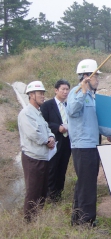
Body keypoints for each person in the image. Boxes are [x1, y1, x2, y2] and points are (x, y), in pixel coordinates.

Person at [67, 59, 111, 226]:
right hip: (82, 147)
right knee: (88, 185)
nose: (98, 80)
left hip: (92, 145)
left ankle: (77, 218)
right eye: (96, 77)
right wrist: (83, 91)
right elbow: (71, 110)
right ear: (86, 76)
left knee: (84, 183)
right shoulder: (76, 92)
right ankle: (87, 221)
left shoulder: (91, 97)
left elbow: (96, 124)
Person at [18, 81, 56, 222]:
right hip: (32, 158)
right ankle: (29, 222)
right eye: (40, 93)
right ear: (31, 95)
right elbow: (33, 134)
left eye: (43, 93)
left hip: (43, 157)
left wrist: (51, 137)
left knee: (42, 191)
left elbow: (47, 129)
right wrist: (47, 141)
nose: (43, 96)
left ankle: (37, 219)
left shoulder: (38, 113)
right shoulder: (26, 113)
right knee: (33, 191)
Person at [40, 79, 71, 202]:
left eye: (67, 89)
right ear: (56, 90)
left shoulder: (68, 106)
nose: (65, 92)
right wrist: (57, 128)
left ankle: (58, 194)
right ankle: (49, 195)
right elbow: (43, 122)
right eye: (63, 89)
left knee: (62, 169)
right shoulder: (47, 105)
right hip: (54, 142)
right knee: (52, 168)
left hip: (67, 142)